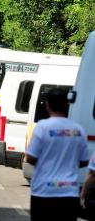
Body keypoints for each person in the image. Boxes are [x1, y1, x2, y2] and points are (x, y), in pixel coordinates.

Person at [26, 88, 89, 221]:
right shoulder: (78, 130)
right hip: (69, 193)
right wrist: (69, 162)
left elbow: (30, 158)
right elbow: (84, 161)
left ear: (48, 105)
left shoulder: (42, 127)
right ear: (67, 105)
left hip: (43, 192)